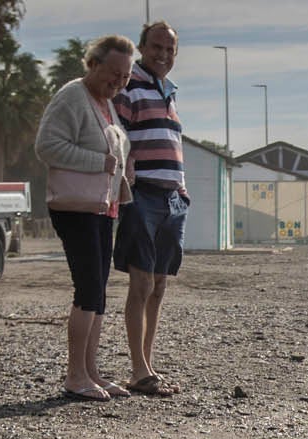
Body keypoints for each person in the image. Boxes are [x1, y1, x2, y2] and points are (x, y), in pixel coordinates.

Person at [35, 34, 136, 401]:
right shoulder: (73, 97)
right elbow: (47, 146)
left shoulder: (107, 104)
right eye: (113, 73)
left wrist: (123, 174)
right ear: (92, 64)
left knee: (98, 292)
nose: (118, 82)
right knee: (88, 289)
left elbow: (114, 152)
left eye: (125, 76)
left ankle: (92, 372)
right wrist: (99, 162)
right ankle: (75, 375)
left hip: (102, 208)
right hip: (75, 209)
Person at [114, 20, 187, 397]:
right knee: (141, 282)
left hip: (172, 198)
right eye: (156, 47)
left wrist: (183, 191)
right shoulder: (129, 87)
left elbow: (172, 143)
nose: (162, 55)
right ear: (143, 48)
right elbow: (117, 136)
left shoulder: (169, 91)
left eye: (169, 50)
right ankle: (138, 370)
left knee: (159, 284)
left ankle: (146, 364)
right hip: (142, 196)